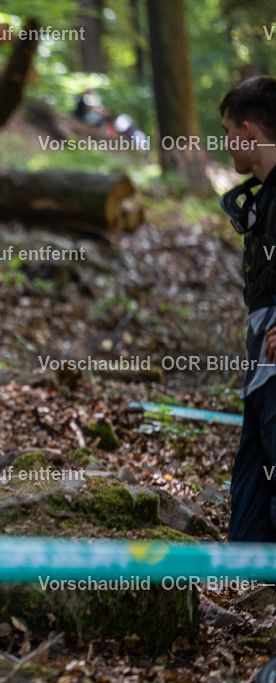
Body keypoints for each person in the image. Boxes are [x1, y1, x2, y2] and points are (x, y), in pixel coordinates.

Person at [220, 76, 276, 542]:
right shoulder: (263, 200)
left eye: (226, 133)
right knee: (255, 476)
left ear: (248, 132)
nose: (225, 145)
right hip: (262, 360)